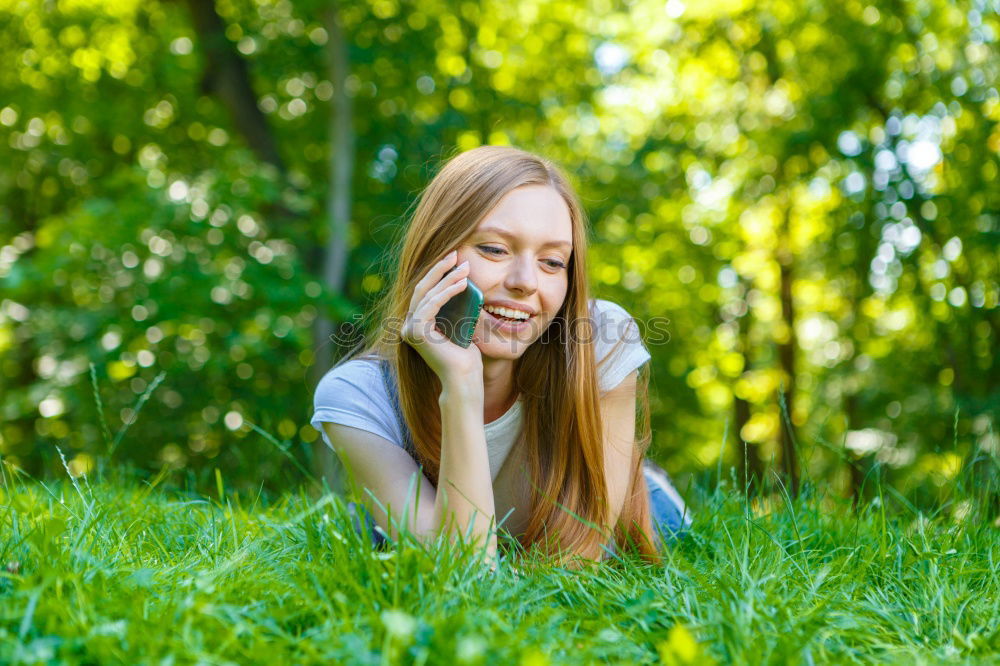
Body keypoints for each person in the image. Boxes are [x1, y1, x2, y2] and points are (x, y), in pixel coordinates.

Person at [311, 146, 690, 567]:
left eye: (552, 261)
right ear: (434, 252)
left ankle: (648, 478)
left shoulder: (602, 341)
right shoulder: (357, 397)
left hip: (639, 509)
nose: (526, 282)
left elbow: (574, 569)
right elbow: (463, 572)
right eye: (494, 249)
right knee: (377, 533)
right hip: (441, 518)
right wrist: (461, 385)